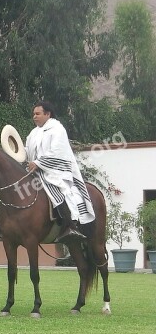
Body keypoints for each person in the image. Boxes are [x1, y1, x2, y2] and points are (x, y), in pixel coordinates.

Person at [25, 101, 95, 243]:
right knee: (16, 189)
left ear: (47, 114)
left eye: (37, 114)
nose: (34, 117)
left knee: (56, 191)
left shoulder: (57, 129)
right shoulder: (33, 133)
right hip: (36, 172)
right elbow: (27, 151)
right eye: (33, 114)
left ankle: (70, 226)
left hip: (56, 172)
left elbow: (57, 152)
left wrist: (38, 163)